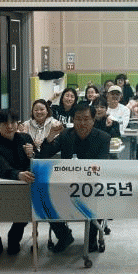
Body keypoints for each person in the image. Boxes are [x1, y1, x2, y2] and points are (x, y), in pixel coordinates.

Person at [39, 103, 110, 253]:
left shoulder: (103, 137)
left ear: (93, 120)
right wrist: (50, 137)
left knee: (97, 197)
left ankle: (91, 239)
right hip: (66, 185)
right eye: (78, 119)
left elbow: (103, 165)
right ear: (73, 120)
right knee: (44, 197)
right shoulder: (66, 135)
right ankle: (64, 236)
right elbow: (44, 155)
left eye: (86, 119)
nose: (82, 123)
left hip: (91, 186)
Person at [0, 109, 35, 258]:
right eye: (5, 123)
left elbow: (36, 163)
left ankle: (14, 237)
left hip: (24, 189)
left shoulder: (25, 138)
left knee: (27, 205)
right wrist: (18, 174)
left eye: (13, 122)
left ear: (17, 124)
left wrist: (32, 154)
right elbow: (2, 168)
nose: (10, 126)